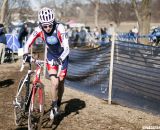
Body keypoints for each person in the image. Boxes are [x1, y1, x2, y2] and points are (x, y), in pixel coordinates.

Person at [23, 7, 70, 118]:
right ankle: (54, 107)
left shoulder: (60, 28)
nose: (48, 28)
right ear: (41, 25)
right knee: (55, 83)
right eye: (45, 26)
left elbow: (67, 48)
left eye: (50, 25)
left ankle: (58, 102)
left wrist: (61, 59)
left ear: (53, 22)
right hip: (51, 57)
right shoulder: (38, 30)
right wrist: (25, 54)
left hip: (63, 57)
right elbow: (27, 44)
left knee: (61, 82)